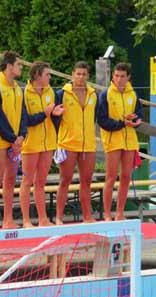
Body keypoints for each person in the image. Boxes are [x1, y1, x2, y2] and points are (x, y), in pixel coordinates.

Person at [0, 51, 27, 230]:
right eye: (19, 64)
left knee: (10, 179)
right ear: (9, 66)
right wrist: (12, 138)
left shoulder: (18, 88)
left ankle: (7, 219)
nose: (21, 67)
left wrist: (22, 135)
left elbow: (24, 113)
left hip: (15, 140)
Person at [19, 61, 64, 228]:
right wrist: (44, 114)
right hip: (31, 143)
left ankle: (43, 219)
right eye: (47, 74)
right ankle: (26, 220)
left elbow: (51, 118)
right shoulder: (24, 93)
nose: (50, 77)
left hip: (48, 142)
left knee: (41, 182)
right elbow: (27, 120)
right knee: (27, 181)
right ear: (37, 75)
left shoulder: (50, 91)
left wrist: (55, 114)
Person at [98, 62, 143, 221]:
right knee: (111, 177)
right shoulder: (106, 94)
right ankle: (107, 214)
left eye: (122, 76)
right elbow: (102, 121)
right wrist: (122, 123)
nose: (118, 79)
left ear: (128, 77)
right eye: (116, 76)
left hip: (129, 140)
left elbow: (138, 113)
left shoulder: (133, 94)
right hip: (112, 140)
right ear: (112, 76)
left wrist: (136, 120)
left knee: (125, 177)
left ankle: (120, 213)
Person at [55, 61, 98, 225]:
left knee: (86, 180)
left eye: (84, 74)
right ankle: (59, 217)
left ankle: (87, 216)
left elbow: (93, 118)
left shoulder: (93, 94)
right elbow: (55, 118)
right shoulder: (62, 93)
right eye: (78, 73)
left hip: (88, 145)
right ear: (72, 74)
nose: (81, 77)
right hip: (68, 143)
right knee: (65, 180)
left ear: (88, 76)